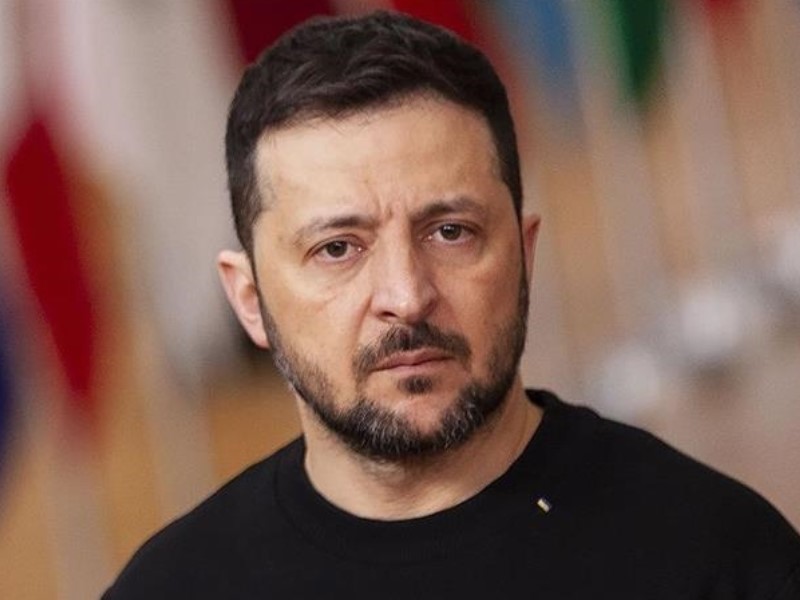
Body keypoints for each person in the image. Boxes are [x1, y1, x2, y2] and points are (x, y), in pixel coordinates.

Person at [104, 10, 800, 599]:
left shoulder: (718, 557)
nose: (407, 297)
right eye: (338, 248)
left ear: (524, 254)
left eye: (450, 232)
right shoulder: (171, 589)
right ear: (250, 300)